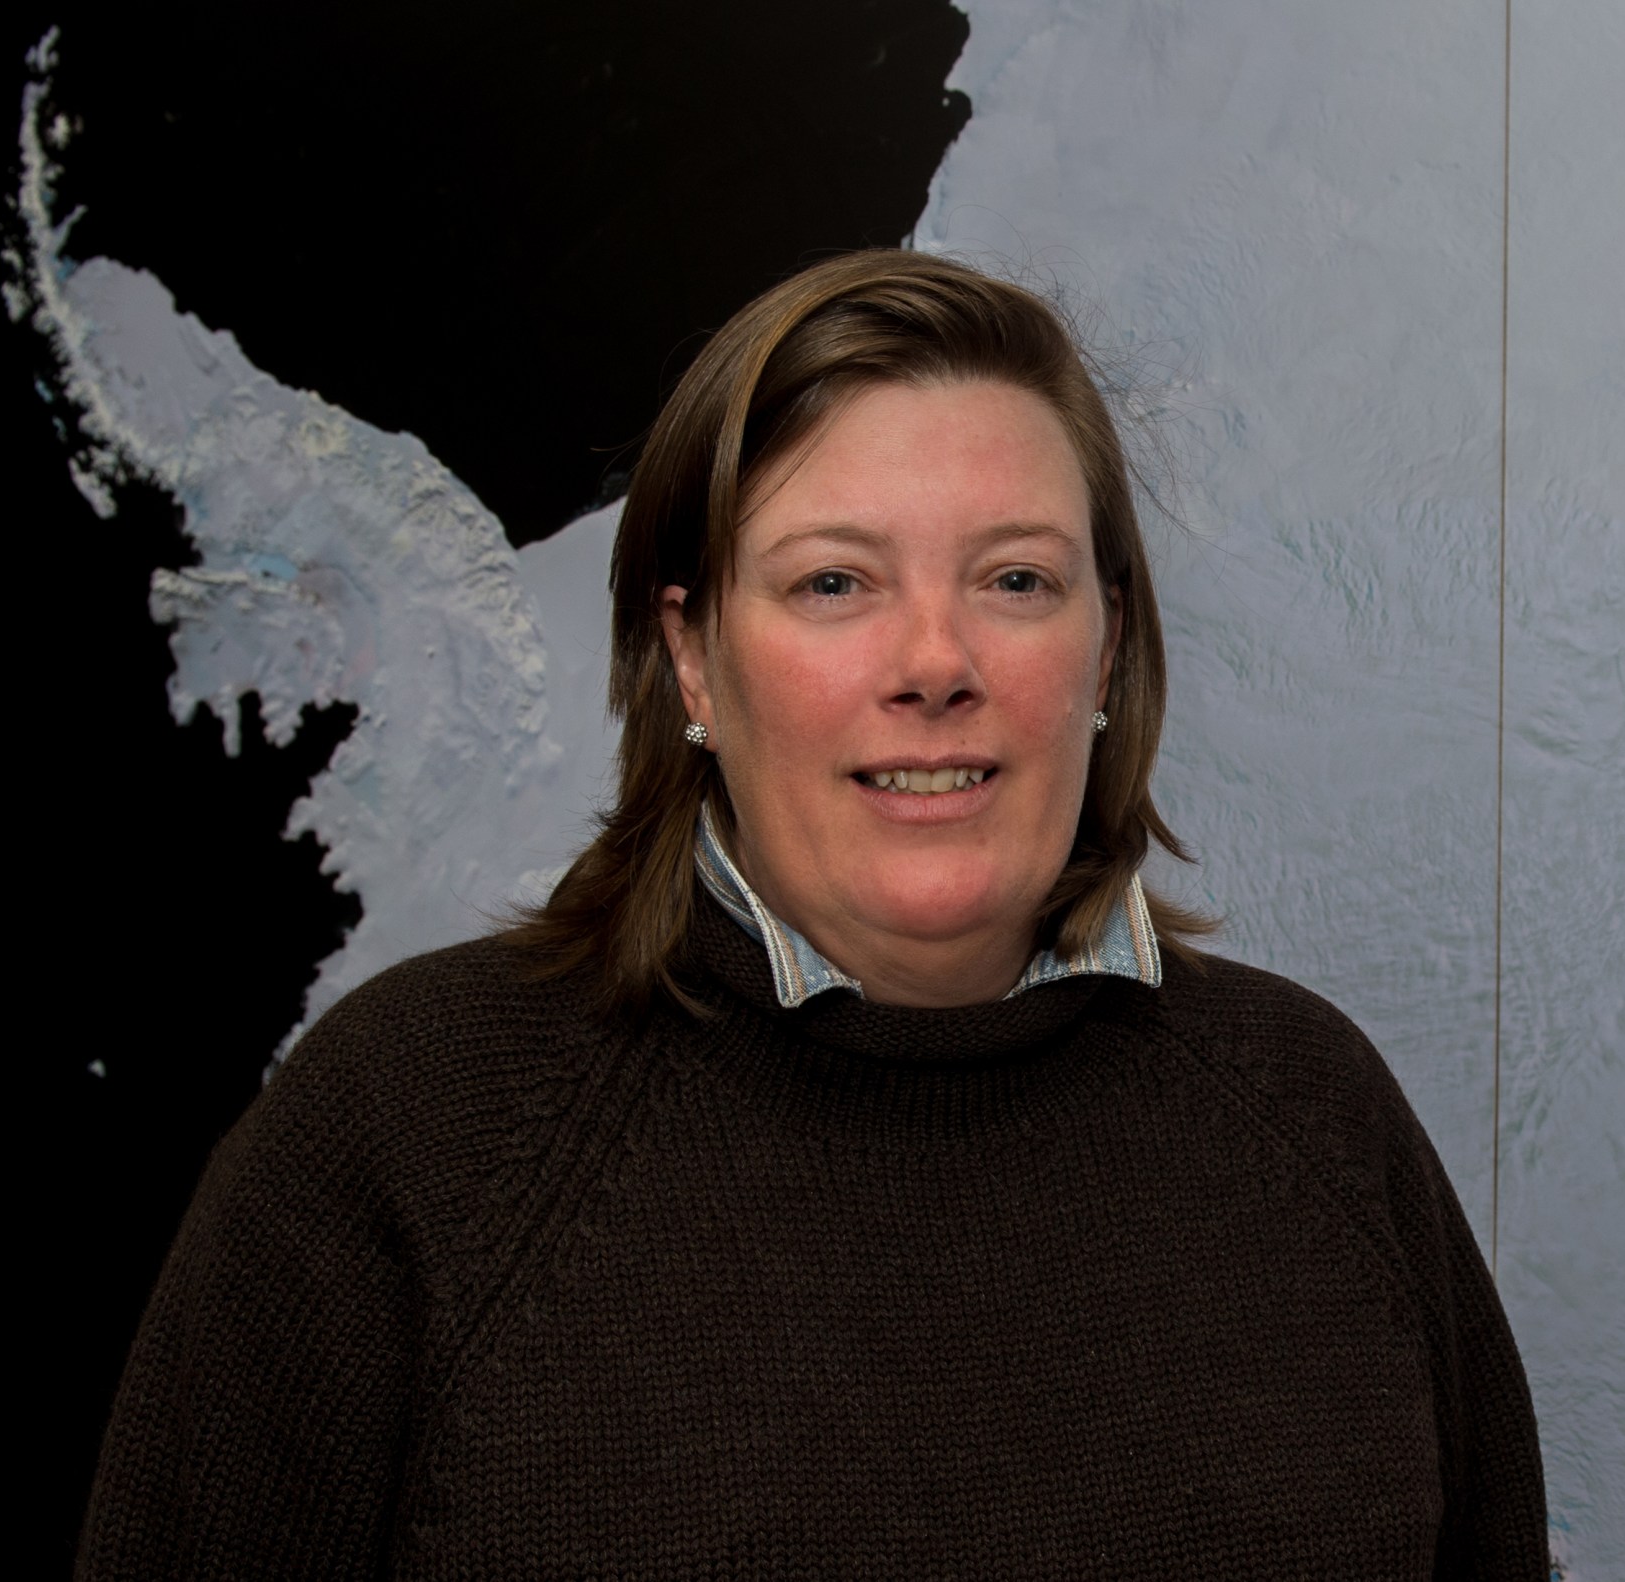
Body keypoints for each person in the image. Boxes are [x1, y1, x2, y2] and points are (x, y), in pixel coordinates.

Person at [79, 250, 1548, 1578]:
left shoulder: (1318, 1116)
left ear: (1106, 653)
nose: (935, 659)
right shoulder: (407, 1135)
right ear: (695, 660)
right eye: (834, 580)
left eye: (1017, 579)